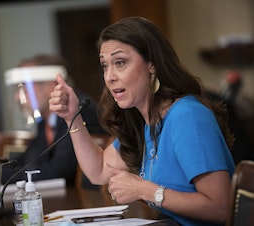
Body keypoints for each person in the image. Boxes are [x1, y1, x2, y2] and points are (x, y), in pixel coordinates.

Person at [49, 17, 235, 226]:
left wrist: (144, 189)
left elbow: (220, 208)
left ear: (152, 65)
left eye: (120, 63)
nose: (109, 76)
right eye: (105, 66)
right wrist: (72, 117)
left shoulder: (187, 117)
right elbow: (99, 170)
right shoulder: (145, 122)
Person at [0, 54, 106, 188]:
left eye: (25, 88)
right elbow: (30, 160)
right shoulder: (45, 119)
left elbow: (59, 171)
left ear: (53, 85)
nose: (17, 97)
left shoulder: (77, 108)